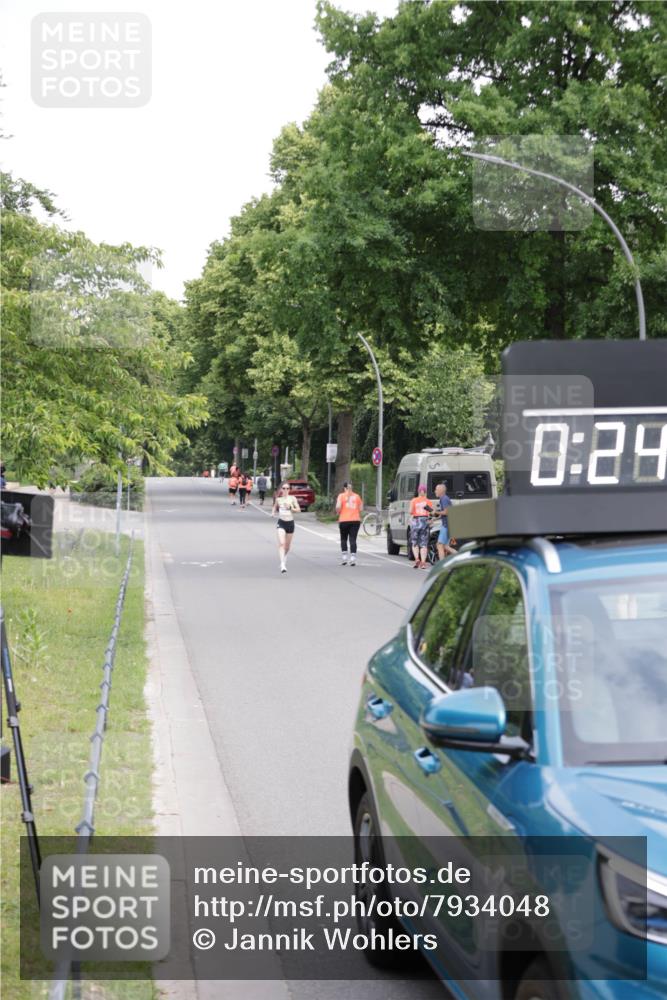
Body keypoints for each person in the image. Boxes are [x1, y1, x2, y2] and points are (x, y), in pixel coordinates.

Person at [272, 481, 301, 574]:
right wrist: (273, 513)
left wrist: (291, 508)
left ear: (289, 490)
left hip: (290, 523)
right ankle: (282, 564)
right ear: (281, 489)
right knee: (281, 543)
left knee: (287, 547)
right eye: (284, 488)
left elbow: (298, 510)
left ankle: (284, 558)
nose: (285, 490)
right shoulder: (278, 499)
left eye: (287, 488)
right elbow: (274, 507)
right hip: (281, 523)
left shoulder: (292, 498)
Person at [335, 481, 363, 566]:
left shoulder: (341, 495)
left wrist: (337, 512)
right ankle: (353, 558)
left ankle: (344, 558)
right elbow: (361, 508)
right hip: (355, 520)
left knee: (343, 538)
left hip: (344, 520)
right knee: (353, 539)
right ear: (351, 488)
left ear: (345, 488)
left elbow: (338, 507)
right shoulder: (357, 496)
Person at [409, 484, 433, 568]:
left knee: (414, 542)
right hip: (425, 522)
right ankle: (423, 562)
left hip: (416, 521)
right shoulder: (428, 501)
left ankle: (417, 559)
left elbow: (410, 512)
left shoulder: (414, 500)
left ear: (418, 491)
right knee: (423, 543)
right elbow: (431, 513)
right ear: (425, 491)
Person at [434, 482, 456, 560]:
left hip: (446, 525)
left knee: (439, 545)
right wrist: (434, 519)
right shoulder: (443, 499)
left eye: (436, 489)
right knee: (444, 546)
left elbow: (446, 512)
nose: (435, 491)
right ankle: (462, 557)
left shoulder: (444, 499)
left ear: (441, 490)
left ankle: (441, 565)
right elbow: (443, 513)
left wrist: (436, 512)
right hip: (448, 525)